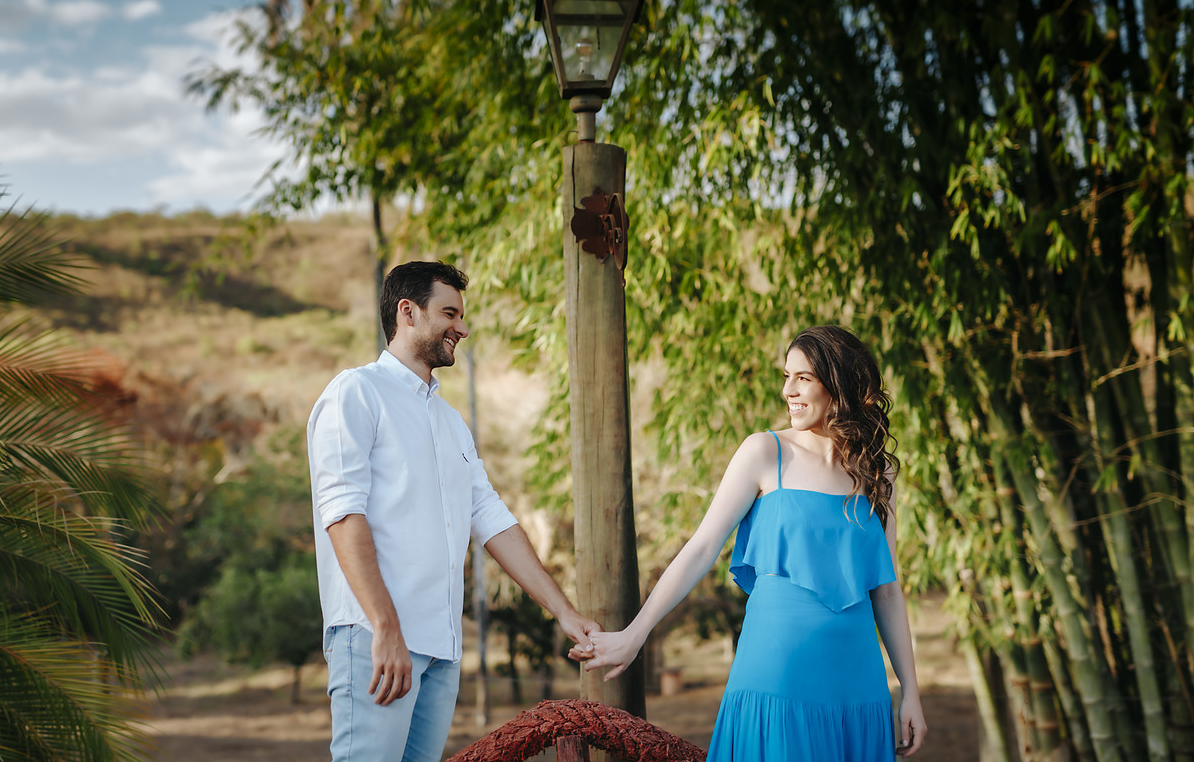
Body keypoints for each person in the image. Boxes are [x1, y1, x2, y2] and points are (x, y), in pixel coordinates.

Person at [580, 325, 927, 759]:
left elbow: (887, 588)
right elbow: (702, 547)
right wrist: (635, 634)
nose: (788, 390)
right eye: (786, 376)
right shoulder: (764, 452)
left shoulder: (878, 472)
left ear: (840, 383)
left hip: (859, 681)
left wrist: (910, 690)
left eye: (803, 378)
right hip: (776, 670)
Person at [309, 260, 599, 762]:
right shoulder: (355, 392)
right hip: (376, 637)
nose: (462, 328)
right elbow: (342, 514)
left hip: (440, 650)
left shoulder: (450, 421)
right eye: (450, 313)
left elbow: (492, 520)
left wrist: (565, 613)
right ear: (408, 313)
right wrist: (386, 628)